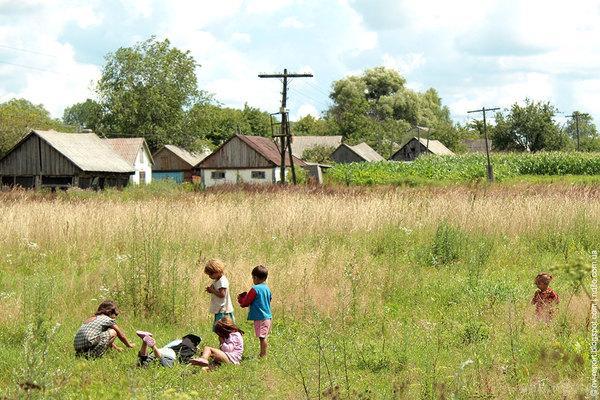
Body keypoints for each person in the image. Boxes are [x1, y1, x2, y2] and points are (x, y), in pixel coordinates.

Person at [237, 265, 272, 357]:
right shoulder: (267, 288)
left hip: (260, 317)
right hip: (267, 316)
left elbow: (246, 302)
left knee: (262, 337)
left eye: (253, 277)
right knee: (263, 336)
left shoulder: (254, 289)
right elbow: (269, 299)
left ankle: (263, 355)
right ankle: (263, 354)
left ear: (255, 277)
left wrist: (241, 300)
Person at [136, 331, 202, 368]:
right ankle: (153, 346)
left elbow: (166, 347)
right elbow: (186, 360)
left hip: (161, 350)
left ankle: (145, 341)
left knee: (142, 362)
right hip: (169, 355)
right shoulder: (191, 349)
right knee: (161, 360)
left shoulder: (177, 341)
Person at [204, 259, 235, 324]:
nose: (209, 276)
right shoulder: (217, 280)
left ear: (217, 271)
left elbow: (222, 294)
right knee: (220, 328)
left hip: (223, 310)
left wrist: (212, 290)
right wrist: (211, 290)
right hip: (220, 309)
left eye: (211, 274)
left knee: (223, 328)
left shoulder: (222, 281)